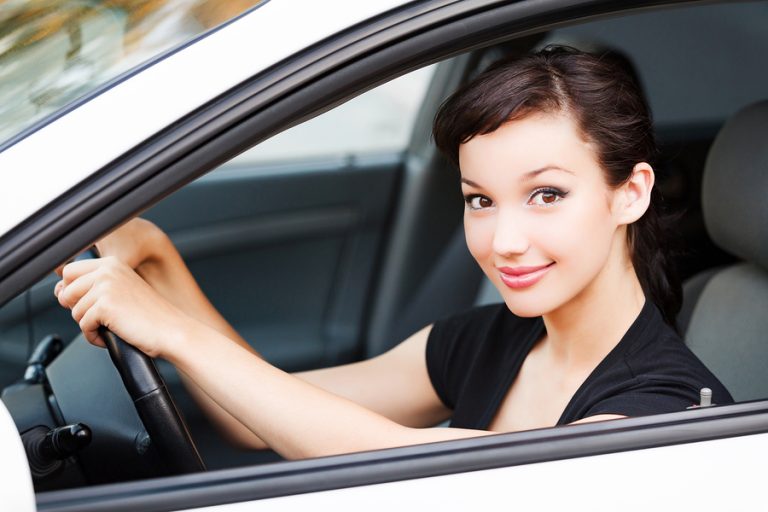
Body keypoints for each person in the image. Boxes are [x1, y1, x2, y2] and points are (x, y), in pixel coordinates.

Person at [53, 46, 732, 460]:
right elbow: (261, 415)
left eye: (547, 195)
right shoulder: (487, 339)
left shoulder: (661, 413)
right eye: (479, 200)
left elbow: (417, 465)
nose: (504, 241)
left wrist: (170, 329)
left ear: (629, 194)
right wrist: (159, 260)